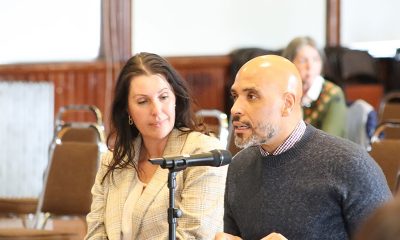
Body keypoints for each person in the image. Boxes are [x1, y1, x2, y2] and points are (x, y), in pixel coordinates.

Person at [217, 55, 391, 240]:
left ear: (287, 104)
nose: (235, 108)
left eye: (252, 96)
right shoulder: (239, 166)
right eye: (235, 96)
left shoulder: (350, 165)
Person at [85, 52, 228, 240]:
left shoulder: (203, 153)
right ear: (127, 109)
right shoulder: (111, 162)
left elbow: (195, 235)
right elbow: (95, 233)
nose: (156, 111)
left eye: (163, 97)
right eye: (143, 101)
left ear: (175, 98)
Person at [282, 36, 347, 137]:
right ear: (289, 63)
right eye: (303, 60)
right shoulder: (283, 93)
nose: (310, 66)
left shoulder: (334, 95)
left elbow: (329, 142)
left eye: (315, 60)